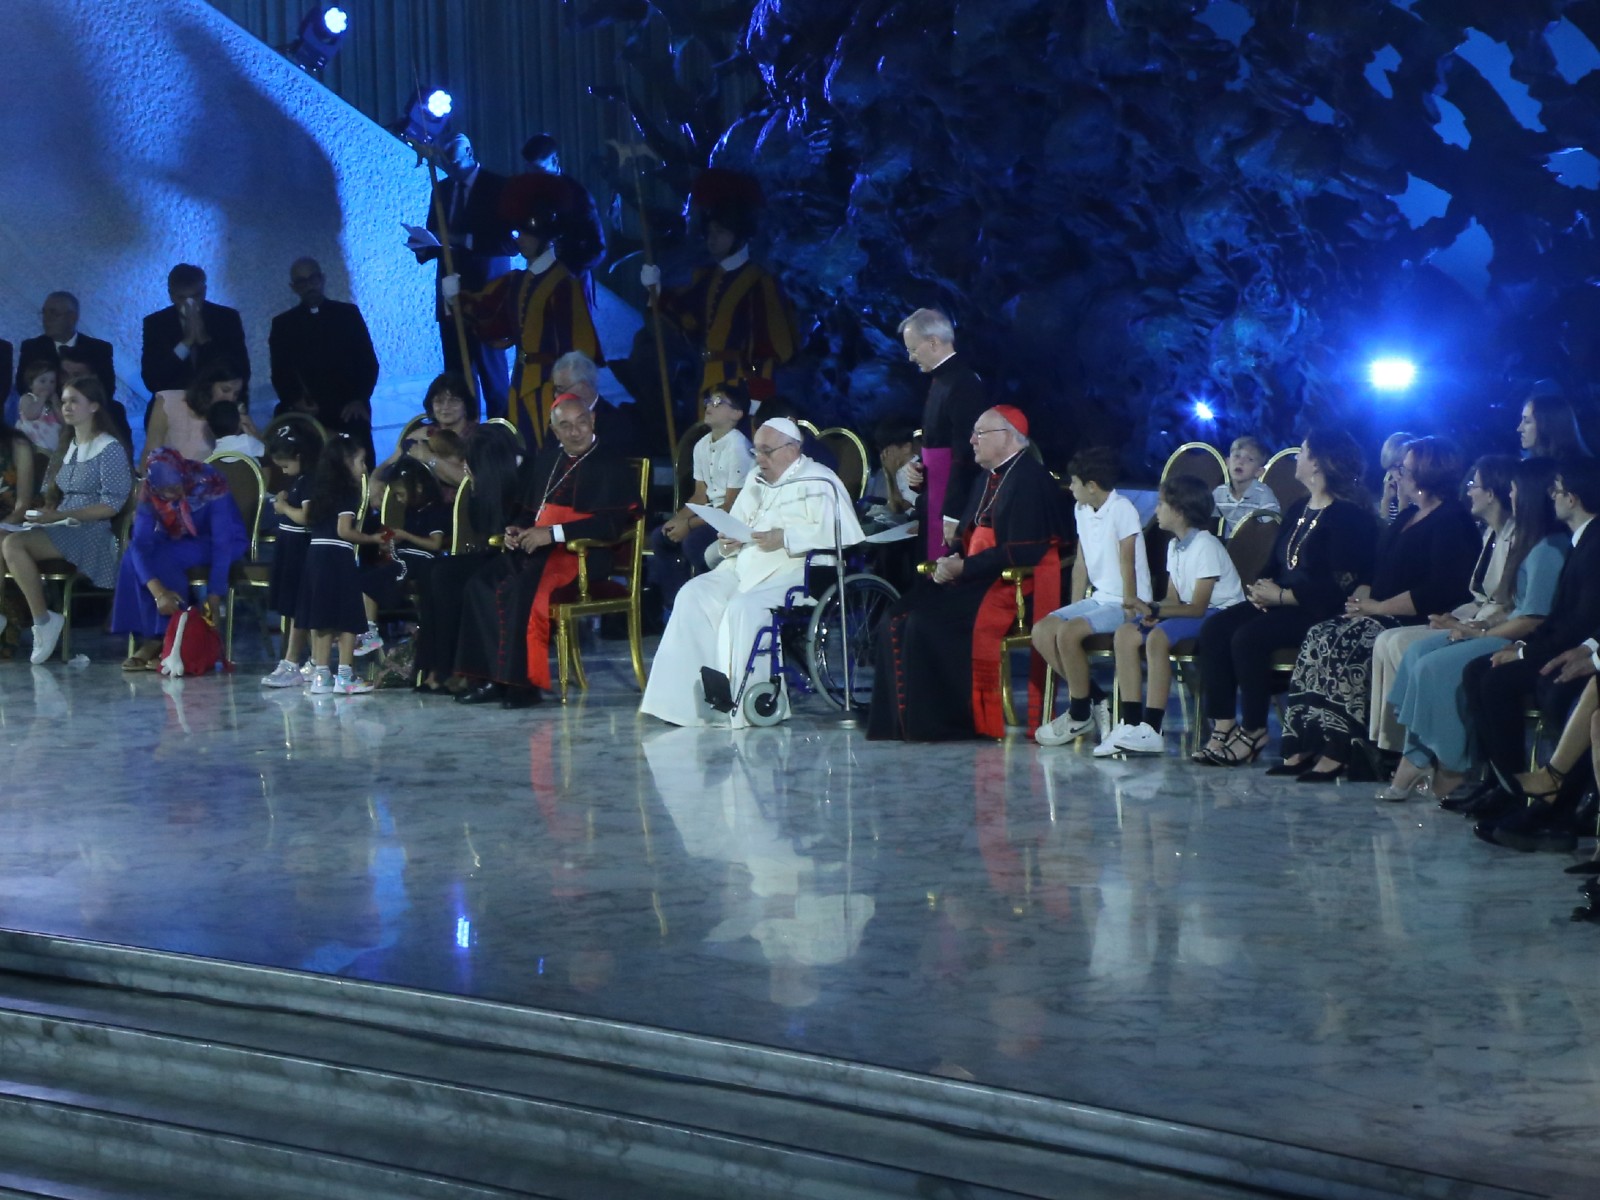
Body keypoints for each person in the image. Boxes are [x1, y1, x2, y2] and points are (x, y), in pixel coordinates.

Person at [1271, 437, 1479, 781]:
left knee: (1345, 642)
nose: (1397, 475)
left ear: (1425, 474)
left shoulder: (1451, 521)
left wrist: (1378, 606)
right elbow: (1377, 567)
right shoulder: (1410, 514)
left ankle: (1341, 749)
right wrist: (1360, 600)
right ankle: (1306, 742)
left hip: (1416, 615)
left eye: (1404, 469)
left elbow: (1440, 589)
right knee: (1321, 632)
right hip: (1380, 607)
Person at [641, 417, 863, 727]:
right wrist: (729, 540)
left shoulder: (820, 481)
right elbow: (741, 524)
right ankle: (686, 705)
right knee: (694, 594)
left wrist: (784, 538)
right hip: (744, 565)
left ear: (793, 449)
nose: (759, 459)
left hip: (796, 571)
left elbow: (843, 537)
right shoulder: (756, 480)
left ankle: (745, 705)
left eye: (766, 451)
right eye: (756, 452)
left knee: (743, 607)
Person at [868, 406, 1064, 741]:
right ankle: (900, 723)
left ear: (1006, 437)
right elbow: (970, 536)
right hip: (976, 578)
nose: (971, 440)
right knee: (896, 615)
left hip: (1010, 586)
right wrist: (953, 560)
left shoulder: (1030, 478)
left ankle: (947, 722)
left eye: (980, 434)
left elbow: (1025, 549)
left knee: (923, 623)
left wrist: (966, 566)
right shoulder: (986, 478)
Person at [1377, 456, 1566, 801]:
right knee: (1419, 650)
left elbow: (1532, 618)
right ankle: (1416, 755)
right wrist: (1471, 626)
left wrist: (1478, 634)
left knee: (1435, 665)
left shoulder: (1546, 549)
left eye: (1514, 491)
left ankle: (1451, 762)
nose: (1510, 497)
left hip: (1521, 639)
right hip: (1502, 627)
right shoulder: (1526, 540)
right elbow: (1510, 602)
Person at [1193, 427, 1376, 766]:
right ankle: (1222, 726)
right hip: (1280, 601)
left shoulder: (1349, 517)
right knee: (1215, 629)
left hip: (1316, 609)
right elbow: (1276, 562)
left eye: (1303, 451)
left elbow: (1339, 583)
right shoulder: (1298, 508)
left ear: (1318, 463)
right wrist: (1262, 589)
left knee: (1248, 637)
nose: (1297, 457)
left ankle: (1254, 729)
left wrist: (1284, 596)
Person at [451, 396, 638, 708]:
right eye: (565, 425)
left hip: (585, 556)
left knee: (521, 589)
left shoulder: (611, 463)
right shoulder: (547, 461)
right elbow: (529, 511)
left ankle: (522, 686)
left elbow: (611, 525)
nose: (575, 431)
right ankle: (487, 679)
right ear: (554, 430)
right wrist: (516, 530)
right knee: (480, 584)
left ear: (592, 421)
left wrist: (552, 534)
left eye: (581, 422)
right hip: (539, 550)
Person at [1460, 456, 1600, 835]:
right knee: (1481, 670)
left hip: (1578, 652)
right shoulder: (1581, 540)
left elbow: (1579, 623)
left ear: (1572, 498)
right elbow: (1564, 621)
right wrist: (1522, 646)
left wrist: (1523, 650)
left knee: (1503, 679)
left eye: (1556, 491)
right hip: (1574, 648)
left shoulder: (1591, 543)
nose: (1551, 497)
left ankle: (1551, 800)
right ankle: (1507, 784)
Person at [447, 173, 602, 447]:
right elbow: (495, 321)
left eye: (522, 234)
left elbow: (577, 346)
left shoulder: (565, 282)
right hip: (521, 385)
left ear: (540, 233)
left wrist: (570, 394)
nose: (517, 240)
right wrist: (457, 299)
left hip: (552, 388)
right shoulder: (520, 280)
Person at [1099, 474, 1246, 756]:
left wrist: (1157, 612)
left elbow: (1198, 607)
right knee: (1126, 632)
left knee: (1157, 638)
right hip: (1191, 610)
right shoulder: (1173, 546)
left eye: (1161, 504)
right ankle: (1131, 723)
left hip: (1220, 614)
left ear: (1179, 511)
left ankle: (1153, 726)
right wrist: (1154, 609)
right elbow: (1172, 598)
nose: (1156, 510)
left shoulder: (1205, 545)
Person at [0, 378, 134, 664]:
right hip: (62, 524)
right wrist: (49, 510)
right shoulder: (68, 445)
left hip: (93, 533)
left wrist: (62, 515)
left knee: (13, 544)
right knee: (1, 537)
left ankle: (43, 620)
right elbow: (53, 491)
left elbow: (112, 504)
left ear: (94, 406)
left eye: (74, 401)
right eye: (63, 401)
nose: (67, 407)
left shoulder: (109, 448)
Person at [641, 168, 797, 411]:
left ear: (739, 235)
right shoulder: (707, 278)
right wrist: (656, 290)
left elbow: (767, 350)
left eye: (721, 232)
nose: (712, 239)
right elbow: (685, 319)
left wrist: (758, 396)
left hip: (740, 389)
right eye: (710, 232)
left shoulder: (758, 282)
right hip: (709, 383)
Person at [1032, 447, 1151, 747]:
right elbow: (1082, 564)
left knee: (1070, 633)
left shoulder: (1122, 508)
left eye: (1074, 482)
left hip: (1124, 599)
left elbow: (1128, 559)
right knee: (1043, 630)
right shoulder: (1081, 509)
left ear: (1091, 486)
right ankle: (1097, 698)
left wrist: (1129, 604)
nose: (1070, 487)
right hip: (1098, 598)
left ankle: (1078, 711)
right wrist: (1071, 607)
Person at [108, 448, 249, 670]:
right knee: (131, 556)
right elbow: (140, 543)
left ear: (183, 476)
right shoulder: (149, 489)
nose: (170, 495)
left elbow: (222, 542)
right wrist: (159, 593)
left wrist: (214, 594)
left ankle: (164, 639)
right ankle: (156, 637)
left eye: (174, 488)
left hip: (222, 540)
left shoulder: (210, 481)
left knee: (164, 557)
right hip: (181, 538)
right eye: (163, 491)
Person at [413, 423, 522, 694]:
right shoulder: (483, 482)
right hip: (493, 551)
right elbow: (482, 527)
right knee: (431, 569)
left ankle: (460, 671)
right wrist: (476, 488)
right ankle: (436, 667)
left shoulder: (524, 475)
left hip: (517, 557)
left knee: (447, 576)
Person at [415, 134, 517, 418]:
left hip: (488, 297)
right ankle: (462, 437)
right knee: (458, 375)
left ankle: (502, 436)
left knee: (492, 373)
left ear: (470, 152)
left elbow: (509, 242)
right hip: (451, 296)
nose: (450, 167)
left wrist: (466, 239)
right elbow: (435, 233)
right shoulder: (442, 189)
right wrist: (424, 246)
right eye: (446, 162)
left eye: (455, 160)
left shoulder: (497, 187)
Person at [648, 382, 754, 611]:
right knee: (661, 536)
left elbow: (730, 507)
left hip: (732, 518)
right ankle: (675, 605)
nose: (710, 406)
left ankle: (707, 604)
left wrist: (689, 525)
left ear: (736, 413)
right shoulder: (702, 445)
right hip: (709, 515)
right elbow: (699, 495)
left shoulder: (737, 446)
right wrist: (677, 520)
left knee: (693, 542)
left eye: (718, 402)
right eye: (709, 401)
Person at [295, 437, 382, 696]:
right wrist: (371, 539)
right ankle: (345, 675)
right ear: (345, 464)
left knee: (321, 616)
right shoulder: (348, 492)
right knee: (347, 615)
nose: (364, 468)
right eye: (360, 461)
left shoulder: (318, 488)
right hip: (337, 555)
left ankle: (321, 675)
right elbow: (344, 530)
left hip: (315, 554)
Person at [898, 308, 987, 559]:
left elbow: (967, 453)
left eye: (913, 349)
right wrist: (918, 466)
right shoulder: (942, 380)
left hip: (953, 498)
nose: (910, 358)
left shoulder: (964, 383)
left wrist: (953, 513)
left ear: (933, 342)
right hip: (936, 492)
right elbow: (936, 441)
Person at [267, 257, 380, 448]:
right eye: (302, 282)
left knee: (359, 452)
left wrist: (359, 399)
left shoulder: (348, 314)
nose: (309, 286)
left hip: (348, 406)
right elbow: (280, 371)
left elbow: (368, 362)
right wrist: (296, 401)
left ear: (322, 279)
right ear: (294, 287)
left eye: (313, 278)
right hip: (308, 408)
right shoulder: (283, 325)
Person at [359, 458, 447, 651]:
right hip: (404, 557)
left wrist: (406, 535)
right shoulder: (411, 511)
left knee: (372, 581)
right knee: (362, 576)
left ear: (418, 488)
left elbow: (435, 544)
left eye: (400, 494)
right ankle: (368, 628)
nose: (398, 500)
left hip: (420, 562)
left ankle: (371, 632)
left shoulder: (435, 511)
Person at [260, 427, 320, 688]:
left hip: (301, 550)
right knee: (296, 608)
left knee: (300, 608)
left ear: (300, 455)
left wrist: (283, 507)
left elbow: (307, 517)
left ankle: (293, 661)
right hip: (290, 547)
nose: (283, 472)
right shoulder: (300, 480)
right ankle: (305, 661)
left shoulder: (311, 480)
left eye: (285, 466)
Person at [140, 264, 250, 400]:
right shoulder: (156, 324)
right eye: (182, 298)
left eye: (195, 296)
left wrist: (204, 340)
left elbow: (240, 372)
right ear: (171, 295)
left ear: (204, 291)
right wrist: (185, 344)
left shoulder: (226, 318)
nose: (190, 304)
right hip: (174, 404)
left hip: (221, 402)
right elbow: (152, 381)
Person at [143, 360, 249, 468]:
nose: (230, 399)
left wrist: (245, 424)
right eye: (225, 390)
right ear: (209, 385)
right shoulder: (170, 402)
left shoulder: (232, 418)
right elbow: (151, 452)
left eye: (236, 394)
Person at [16, 291, 116, 398]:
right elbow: (23, 387)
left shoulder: (98, 349)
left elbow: (106, 388)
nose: (46, 319)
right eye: (44, 313)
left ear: (72, 317)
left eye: (53, 313)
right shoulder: (32, 348)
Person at [1213, 435, 1279, 536]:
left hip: (1255, 546)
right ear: (1227, 462)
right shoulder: (1219, 493)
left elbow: (1271, 531)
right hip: (1227, 547)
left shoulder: (1264, 495)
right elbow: (1207, 523)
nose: (1240, 462)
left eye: (1250, 459)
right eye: (1237, 456)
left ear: (1259, 471)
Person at [1516, 387, 1590, 460]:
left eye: (1527, 421)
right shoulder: (1525, 465)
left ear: (1549, 425)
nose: (1519, 429)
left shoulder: (1582, 469)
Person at [14, 361, 63, 454]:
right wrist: (42, 399)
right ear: (31, 384)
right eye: (42, 381)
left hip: (52, 448)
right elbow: (31, 415)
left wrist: (56, 404)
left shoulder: (54, 402)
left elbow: (64, 421)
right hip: (33, 446)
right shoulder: (28, 398)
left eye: (52, 382)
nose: (48, 385)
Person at [1376, 431, 1416, 523]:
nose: (1398, 475)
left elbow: (1407, 534)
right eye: (1392, 467)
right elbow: (1386, 534)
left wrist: (1403, 504)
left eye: (1402, 467)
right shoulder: (1392, 496)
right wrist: (1386, 502)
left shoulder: (1424, 498)